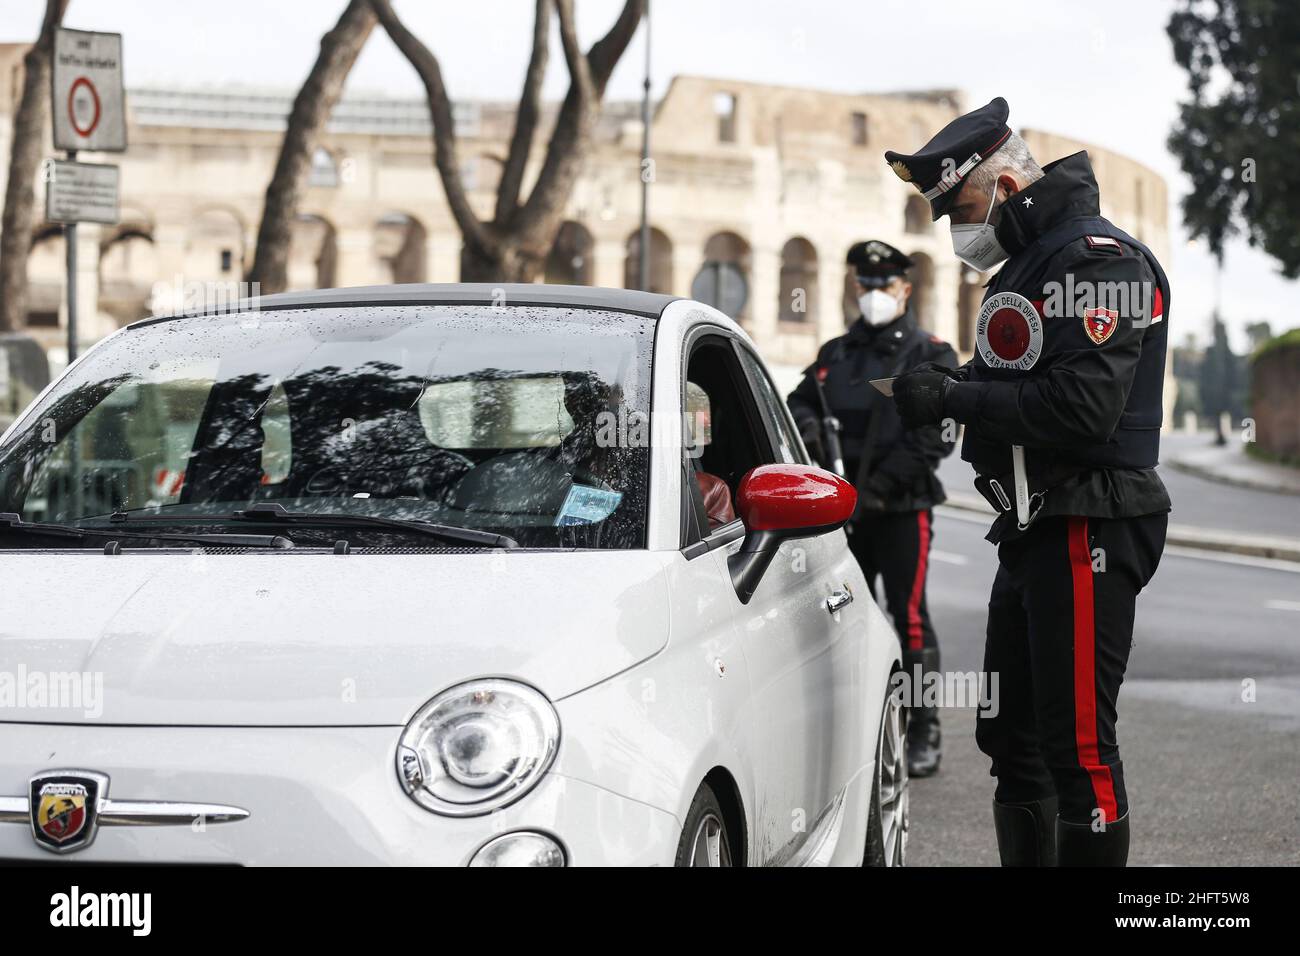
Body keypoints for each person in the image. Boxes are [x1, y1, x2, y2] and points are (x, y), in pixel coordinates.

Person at [885, 98, 1171, 866]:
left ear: (1008, 189)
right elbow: (1025, 375)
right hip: (1033, 525)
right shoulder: (1038, 264)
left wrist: (956, 396)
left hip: (1087, 519)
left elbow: (1082, 408)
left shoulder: (1097, 259)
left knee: (1079, 749)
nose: (957, 232)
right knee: (1014, 738)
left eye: (963, 208)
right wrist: (956, 380)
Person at [787, 240, 957, 777]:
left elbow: (935, 437)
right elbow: (797, 405)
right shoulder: (835, 355)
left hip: (901, 507)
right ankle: (858, 726)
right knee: (840, 616)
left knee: (908, 619)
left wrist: (878, 489)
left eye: (885, 285)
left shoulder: (930, 353)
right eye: (866, 285)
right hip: (844, 514)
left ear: (906, 289)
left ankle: (922, 727)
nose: (875, 294)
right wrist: (811, 429)